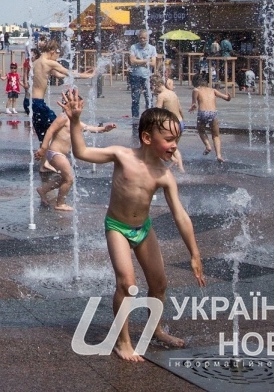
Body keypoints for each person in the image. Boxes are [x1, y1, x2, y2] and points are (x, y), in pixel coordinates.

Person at [65, 88, 205, 361]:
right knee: (127, 284)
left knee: (159, 284)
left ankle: (156, 329)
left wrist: (195, 253)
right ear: (147, 138)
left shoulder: (164, 175)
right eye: (169, 140)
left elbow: (180, 215)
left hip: (143, 229)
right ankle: (123, 341)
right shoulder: (122, 155)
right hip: (117, 227)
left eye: (176, 140)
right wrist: (75, 121)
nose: (174, 146)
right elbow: (81, 152)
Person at [35, 104, 115, 211]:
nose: (80, 108)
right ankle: (60, 204)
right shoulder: (63, 117)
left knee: (63, 177)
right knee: (69, 179)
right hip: (55, 153)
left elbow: (89, 128)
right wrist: (43, 148)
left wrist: (105, 128)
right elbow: (50, 130)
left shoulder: (74, 121)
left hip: (59, 154)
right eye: (78, 105)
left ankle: (43, 190)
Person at [189, 72, 232, 164]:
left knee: (201, 130)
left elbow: (194, 103)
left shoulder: (196, 90)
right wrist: (229, 96)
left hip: (202, 113)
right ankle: (219, 155)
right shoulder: (213, 90)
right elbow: (227, 98)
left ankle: (208, 146)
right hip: (213, 113)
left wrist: (193, 106)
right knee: (216, 135)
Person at [150, 76, 186, 172]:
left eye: (152, 87)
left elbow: (157, 112)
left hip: (171, 125)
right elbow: (180, 109)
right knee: (173, 146)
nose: (153, 90)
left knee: (158, 144)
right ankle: (181, 168)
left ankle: (173, 161)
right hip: (180, 122)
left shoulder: (161, 96)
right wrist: (182, 121)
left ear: (156, 85)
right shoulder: (172, 93)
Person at [127, 30, 157, 119]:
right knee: (135, 99)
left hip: (147, 76)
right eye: (141, 38)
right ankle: (135, 118)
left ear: (147, 38)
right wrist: (146, 61)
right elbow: (132, 61)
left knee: (149, 98)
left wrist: (138, 60)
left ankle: (149, 117)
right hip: (135, 76)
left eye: (144, 38)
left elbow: (153, 63)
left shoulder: (152, 48)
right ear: (138, 38)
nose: (142, 40)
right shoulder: (134, 47)